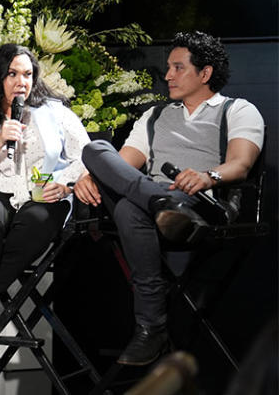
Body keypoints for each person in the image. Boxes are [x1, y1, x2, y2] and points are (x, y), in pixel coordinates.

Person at [74, 31, 263, 365]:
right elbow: (122, 165)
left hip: (201, 206)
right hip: (157, 203)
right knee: (96, 149)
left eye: (178, 67)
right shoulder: (155, 116)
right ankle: (159, 204)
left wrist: (208, 176)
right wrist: (91, 175)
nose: (167, 75)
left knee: (131, 206)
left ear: (204, 74)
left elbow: (241, 164)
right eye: (168, 67)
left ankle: (151, 328)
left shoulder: (238, 110)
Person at [0, 43, 89, 349]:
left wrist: (63, 183)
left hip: (44, 193)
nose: (21, 81)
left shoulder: (54, 112)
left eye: (27, 74)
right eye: (12, 73)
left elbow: (86, 155)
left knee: (38, 219)